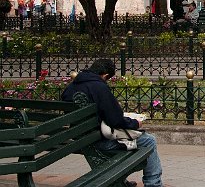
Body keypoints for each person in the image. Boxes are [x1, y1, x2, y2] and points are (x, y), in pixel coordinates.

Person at [62, 59, 163, 187]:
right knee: (149, 141)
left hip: (81, 140)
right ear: (104, 75)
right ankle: (154, 184)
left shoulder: (70, 87)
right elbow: (116, 120)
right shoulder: (99, 87)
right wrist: (136, 123)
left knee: (135, 142)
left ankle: (120, 180)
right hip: (102, 142)